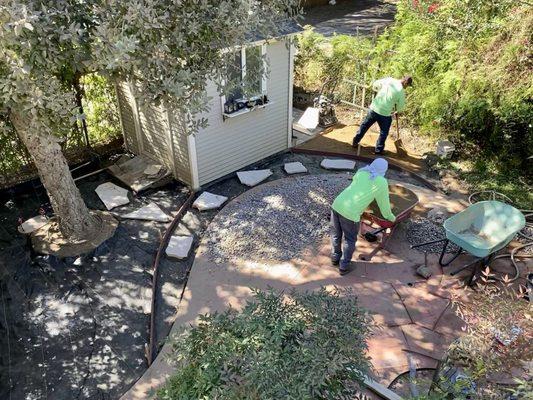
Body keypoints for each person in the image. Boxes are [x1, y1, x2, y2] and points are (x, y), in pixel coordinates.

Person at [330, 158, 395, 275]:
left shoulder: (362, 172)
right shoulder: (381, 182)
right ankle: (344, 266)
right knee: (349, 240)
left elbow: (358, 188)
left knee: (336, 235)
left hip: (337, 204)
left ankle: (335, 258)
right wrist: (391, 218)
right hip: (351, 212)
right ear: (384, 170)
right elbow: (384, 205)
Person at [352, 76, 413, 154]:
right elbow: (400, 106)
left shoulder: (389, 80)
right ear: (406, 83)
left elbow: (375, 84)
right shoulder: (400, 91)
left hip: (374, 108)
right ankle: (378, 150)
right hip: (385, 114)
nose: (406, 87)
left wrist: (380, 90)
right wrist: (397, 110)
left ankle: (355, 141)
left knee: (364, 126)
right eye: (407, 86)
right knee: (384, 132)